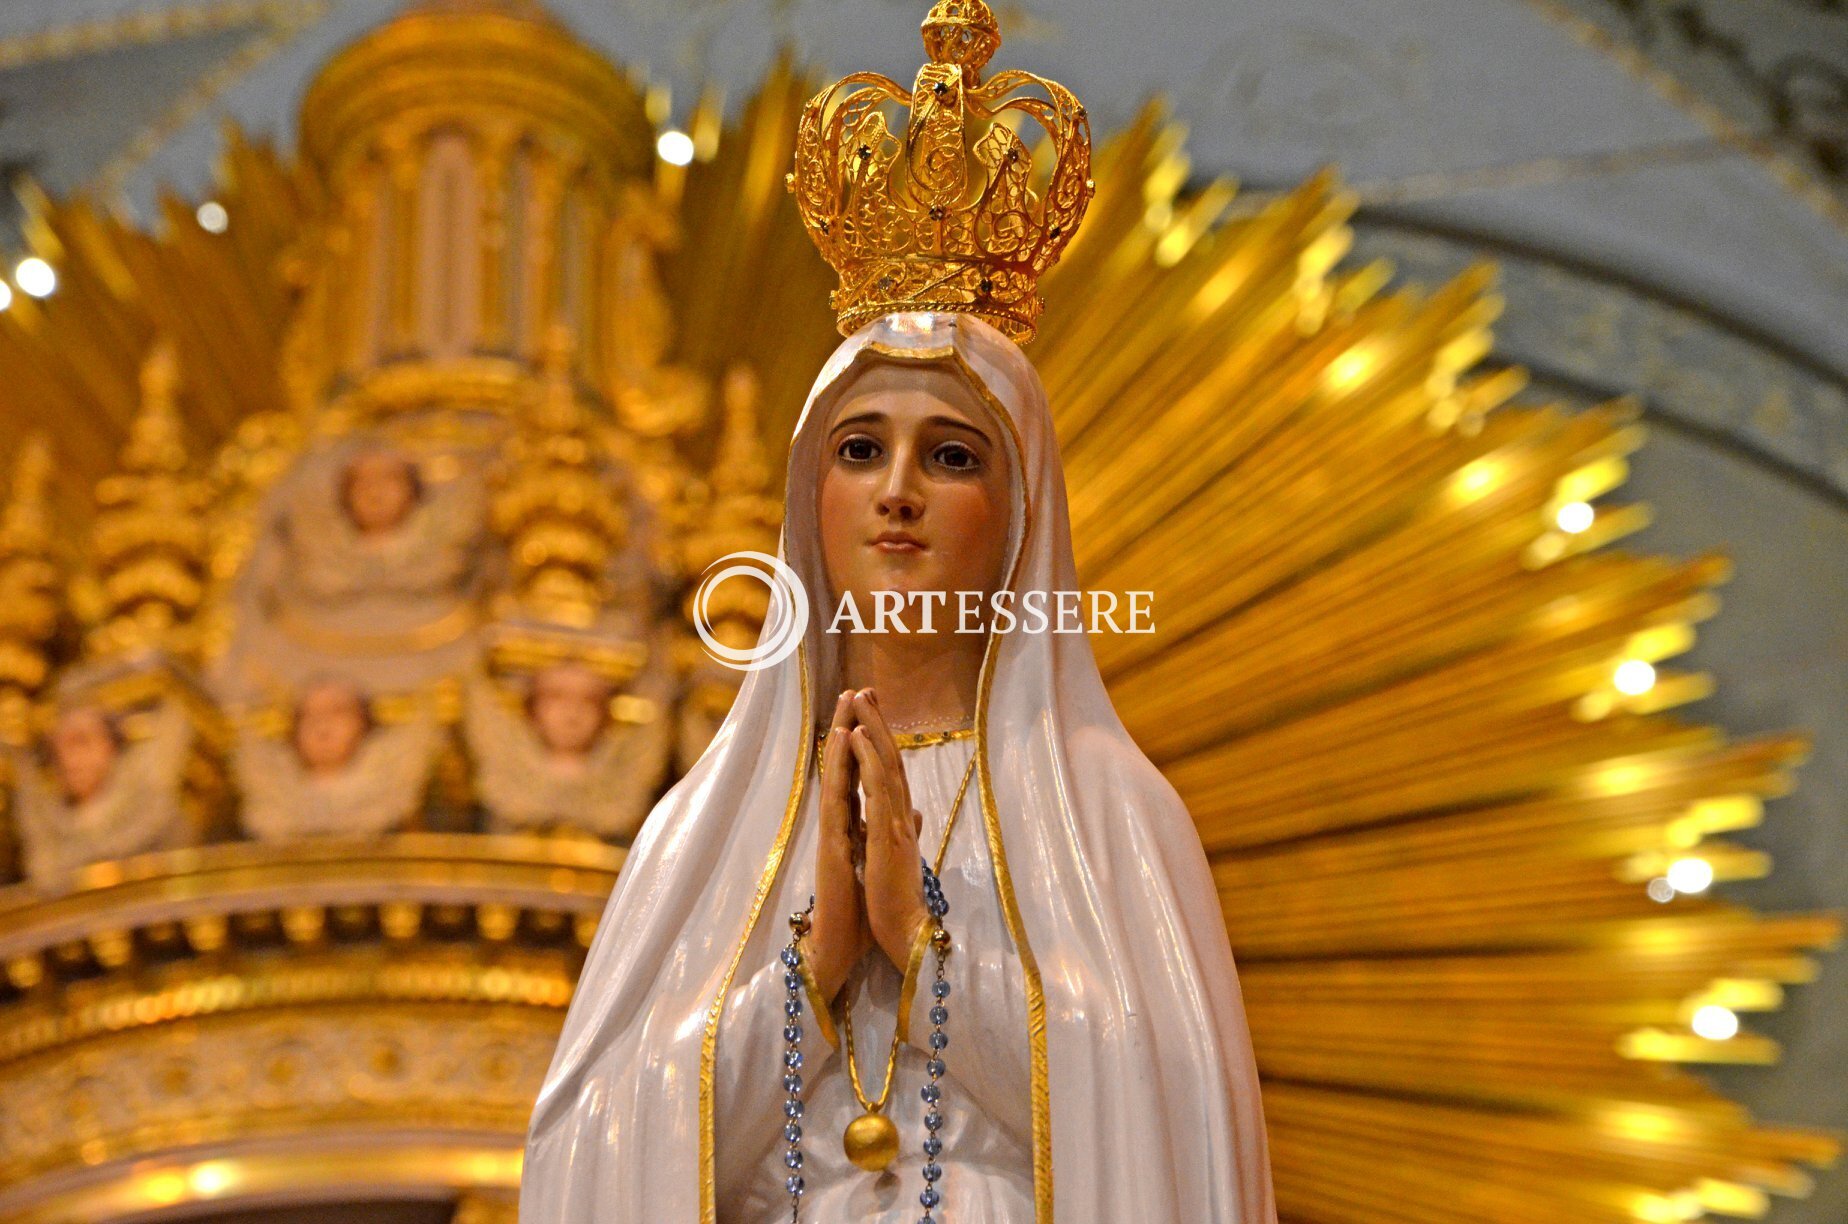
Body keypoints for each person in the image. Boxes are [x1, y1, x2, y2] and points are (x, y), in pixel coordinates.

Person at [520, 312, 1277, 1222]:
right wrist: (814, 971)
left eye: (952, 457)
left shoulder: (1108, 806)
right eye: (861, 450)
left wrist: (920, 948)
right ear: (811, 497)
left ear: (1021, 512)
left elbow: (1166, 1121)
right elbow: (596, 1141)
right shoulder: (701, 827)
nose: (898, 492)